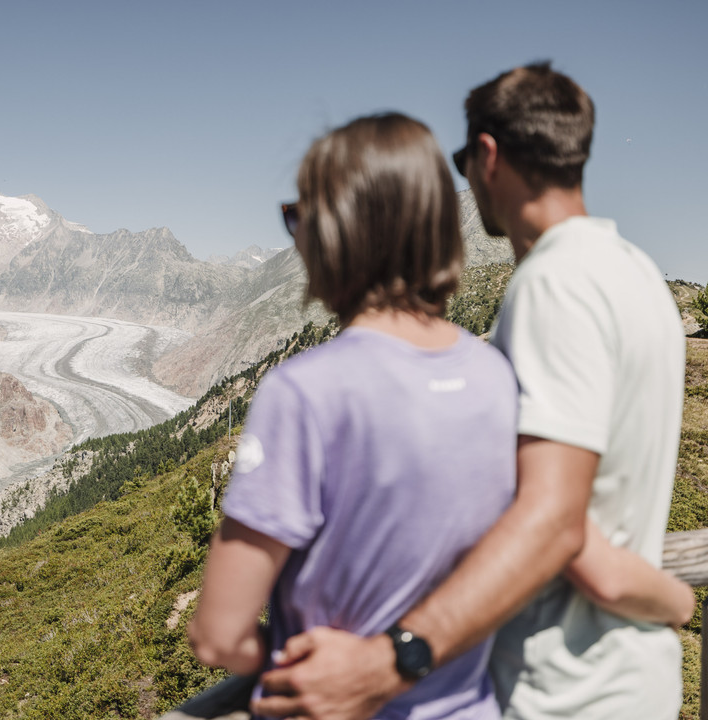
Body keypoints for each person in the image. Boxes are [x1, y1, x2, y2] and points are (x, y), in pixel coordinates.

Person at [251, 62, 695, 720]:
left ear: (486, 155)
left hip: (560, 686)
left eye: (463, 161)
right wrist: (672, 600)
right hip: (636, 676)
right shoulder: (637, 275)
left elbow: (554, 522)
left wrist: (397, 657)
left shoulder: (554, 283)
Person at [179, 112, 520, 719]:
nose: (295, 238)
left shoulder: (308, 391)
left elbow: (217, 635)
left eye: (298, 218)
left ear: (338, 235)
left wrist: (288, 661)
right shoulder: (494, 374)